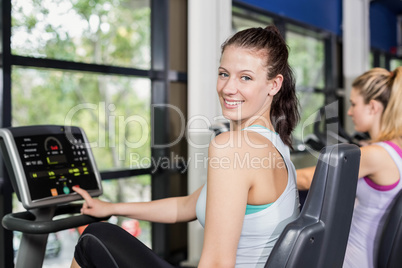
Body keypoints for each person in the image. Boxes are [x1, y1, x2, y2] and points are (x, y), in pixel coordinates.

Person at [70, 25, 300, 268]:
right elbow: (186, 207)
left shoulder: (234, 146)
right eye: (224, 74)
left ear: (274, 85)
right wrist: (110, 207)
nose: (228, 88)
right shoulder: (277, 145)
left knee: (95, 237)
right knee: (101, 234)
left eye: (245, 77)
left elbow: (217, 263)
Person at [297, 67, 402, 268]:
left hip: (355, 261)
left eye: (354, 104)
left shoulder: (376, 154)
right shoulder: (392, 150)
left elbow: (311, 179)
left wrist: (263, 174)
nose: (350, 111)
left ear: (373, 107)